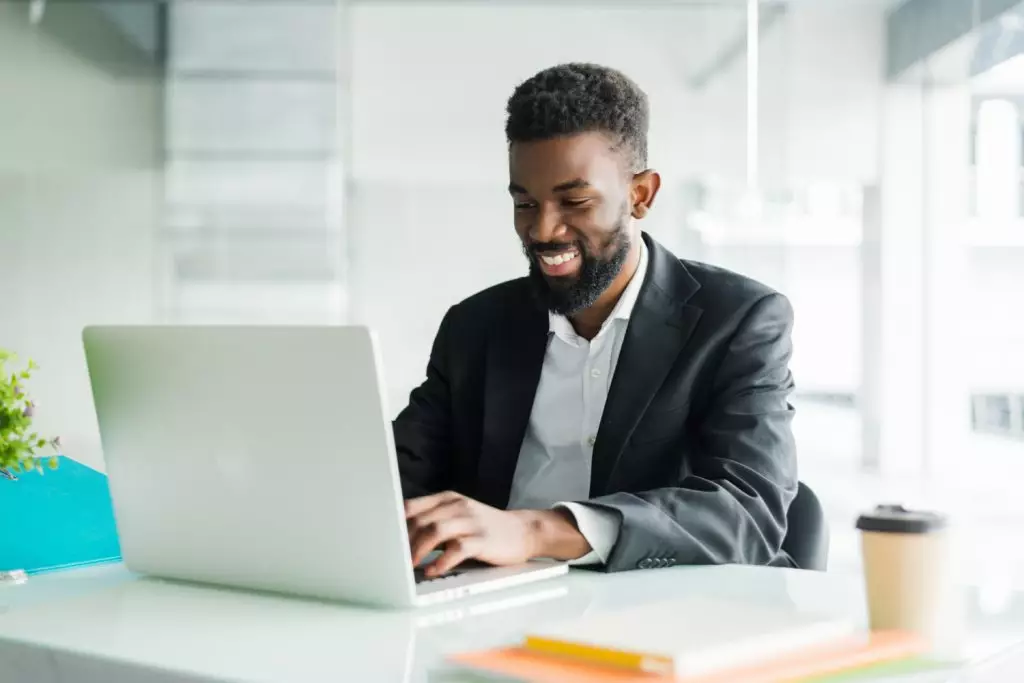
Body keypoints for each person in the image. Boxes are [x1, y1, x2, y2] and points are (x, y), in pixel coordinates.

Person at [396, 63, 798, 577]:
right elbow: (400, 477)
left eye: (574, 201)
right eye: (524, 202)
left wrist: (534, 530)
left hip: (659, 609)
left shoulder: (738, 320)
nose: (542, 229)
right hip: (489, 603)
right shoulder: (475, 326)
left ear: (641, 195)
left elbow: (747, 511)